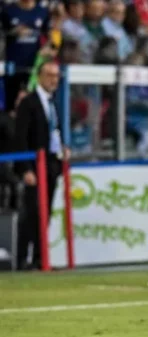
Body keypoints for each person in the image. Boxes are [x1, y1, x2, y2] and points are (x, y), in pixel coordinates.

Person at [13, 61, 69, 270]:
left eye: (56, 76)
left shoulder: (54, 102)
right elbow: (21, 138)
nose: (54, 80)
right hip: (35, 166)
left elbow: (55, 131)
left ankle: (39, 258)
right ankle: (22, 259)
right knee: (31, 213)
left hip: (52, 163)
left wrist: (63, 147)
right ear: (39, 76)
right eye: (49, 75)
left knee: (45, 214)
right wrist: (26, 168)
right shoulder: (29, 103)